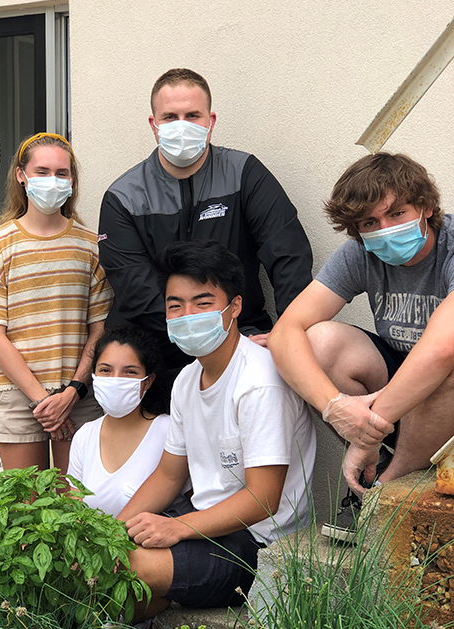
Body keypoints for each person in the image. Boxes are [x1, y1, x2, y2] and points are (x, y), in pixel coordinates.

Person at [116, 240, 316, 620]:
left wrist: (176, 529)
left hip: (258, 543)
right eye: (175, 305)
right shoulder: (187, 379)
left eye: (203, 303)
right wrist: (107, 530)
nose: (187, 314)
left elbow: (263, 500)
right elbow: (168, 473)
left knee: (130, 567)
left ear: (235, 306)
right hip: (202, 523)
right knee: (106, 567)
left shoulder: (260, 380)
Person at [267, 152, 454, 539]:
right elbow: (287, 332)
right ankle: (376, 467)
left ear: (427, 207)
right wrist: (335, 410)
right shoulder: (359, 254)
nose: (384, 229)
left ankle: (385, 486)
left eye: (397, 213)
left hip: (441, 379)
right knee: (320, 341)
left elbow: (442, 349)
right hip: (399, 393)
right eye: (371, 222)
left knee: (439, 365)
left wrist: (364, 435)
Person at [98, 68, 312, 374]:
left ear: (210, 122)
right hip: (155, 344)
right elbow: (135, 291)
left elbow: (289, 255)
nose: (181, 126)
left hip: (241, 334)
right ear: (154, 124)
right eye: (170, 117)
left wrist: (290, 331)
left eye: (193, 115)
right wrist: (198, 332)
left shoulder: (245, 173)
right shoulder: (123, 197)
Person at [0, 132, 113, 474]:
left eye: (61, 173)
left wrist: (70, 394)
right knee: (24, 508)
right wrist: (42, 400)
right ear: (21, 176)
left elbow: (100, 331)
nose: (52, 180)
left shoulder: (90, 245)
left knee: (76, 507)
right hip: (19, 396)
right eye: (42, 171)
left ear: (72, 180)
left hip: (77, 397)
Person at [67, 326, 180, 518]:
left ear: (147, 381)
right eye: (105, 370)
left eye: (130, 372)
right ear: (93, 375)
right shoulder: (84, 436)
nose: (116, 380)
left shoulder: (169, 431)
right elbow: (75, 515)